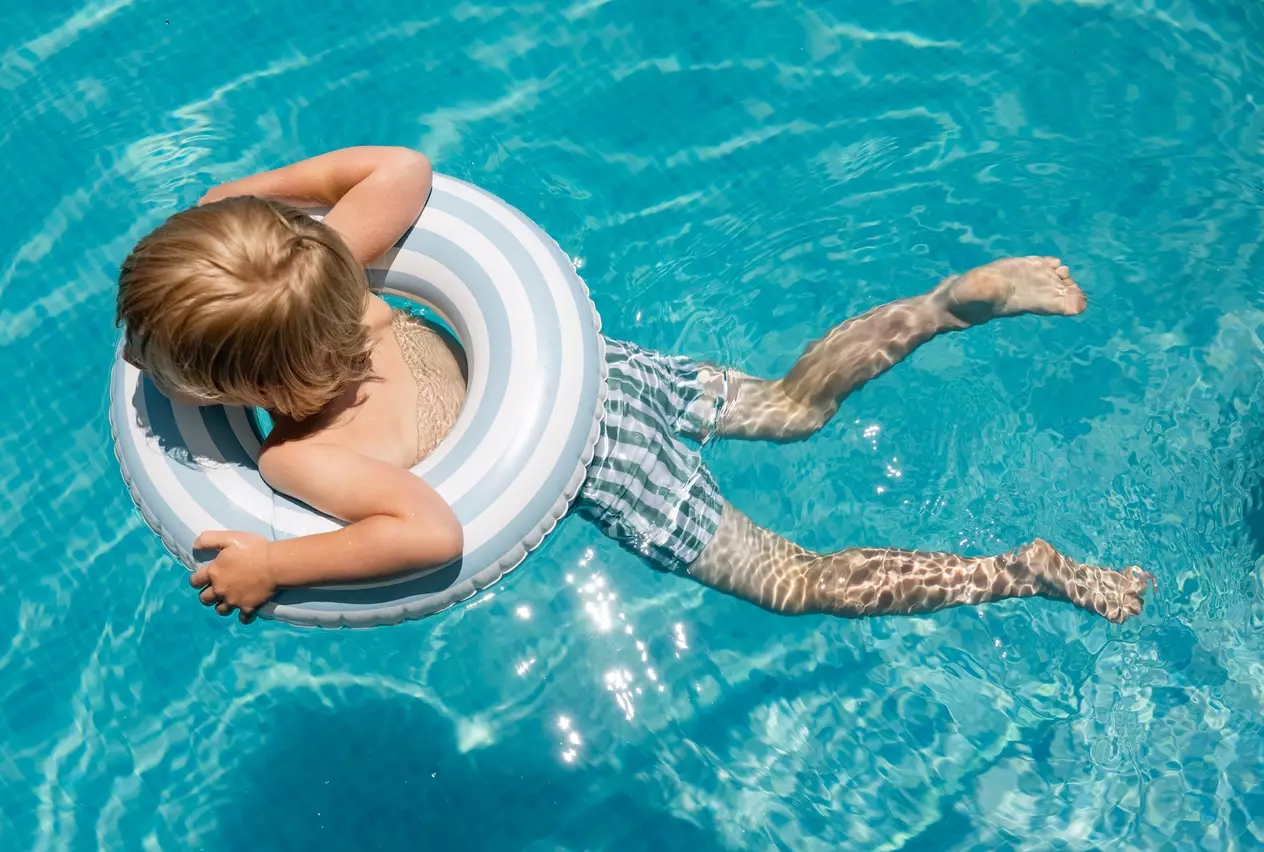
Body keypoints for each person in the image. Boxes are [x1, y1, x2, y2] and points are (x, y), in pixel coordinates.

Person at [116, 146, 1152, 625]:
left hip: (597, 470)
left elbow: (426, 533)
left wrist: (276, 571)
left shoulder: (303, 456)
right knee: (792, 410)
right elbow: (404, 169)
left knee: (798, 582)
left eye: (159, 368)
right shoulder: (347, 270)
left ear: (233, 387)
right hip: (594, 377)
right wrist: (253, 195)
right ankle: (940, 308)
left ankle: (1030, 571)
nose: (140, 376)